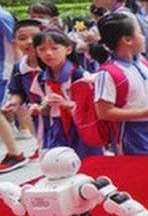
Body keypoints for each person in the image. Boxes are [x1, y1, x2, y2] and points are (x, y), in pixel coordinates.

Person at [89, 13, 148, 155]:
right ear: (127, 39)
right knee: (138, 174)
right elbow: (104, 112)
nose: (143, 37)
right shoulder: (108, 73)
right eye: (139, 33)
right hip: (131, 132)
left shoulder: (143, 63)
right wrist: (144, 113)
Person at [29, 30, 103, 158]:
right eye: (42, 49)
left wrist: (67, 104)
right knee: (60, 162)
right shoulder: (41, 79)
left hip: (81, 126)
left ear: (68, 49)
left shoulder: (80, 76)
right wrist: (39, 109)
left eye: (55, 48)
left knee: (89, 161)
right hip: (57, 126)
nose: (48, 53)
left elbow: (91, 107)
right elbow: (39, 103)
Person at [0, 20, 42, 170]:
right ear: (15, 41)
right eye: (22, 38)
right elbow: (18, 92)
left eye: (35, 36)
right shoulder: (19, 68)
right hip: (41, 121)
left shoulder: (55, 63)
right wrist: (14, 102)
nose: (29, 42)